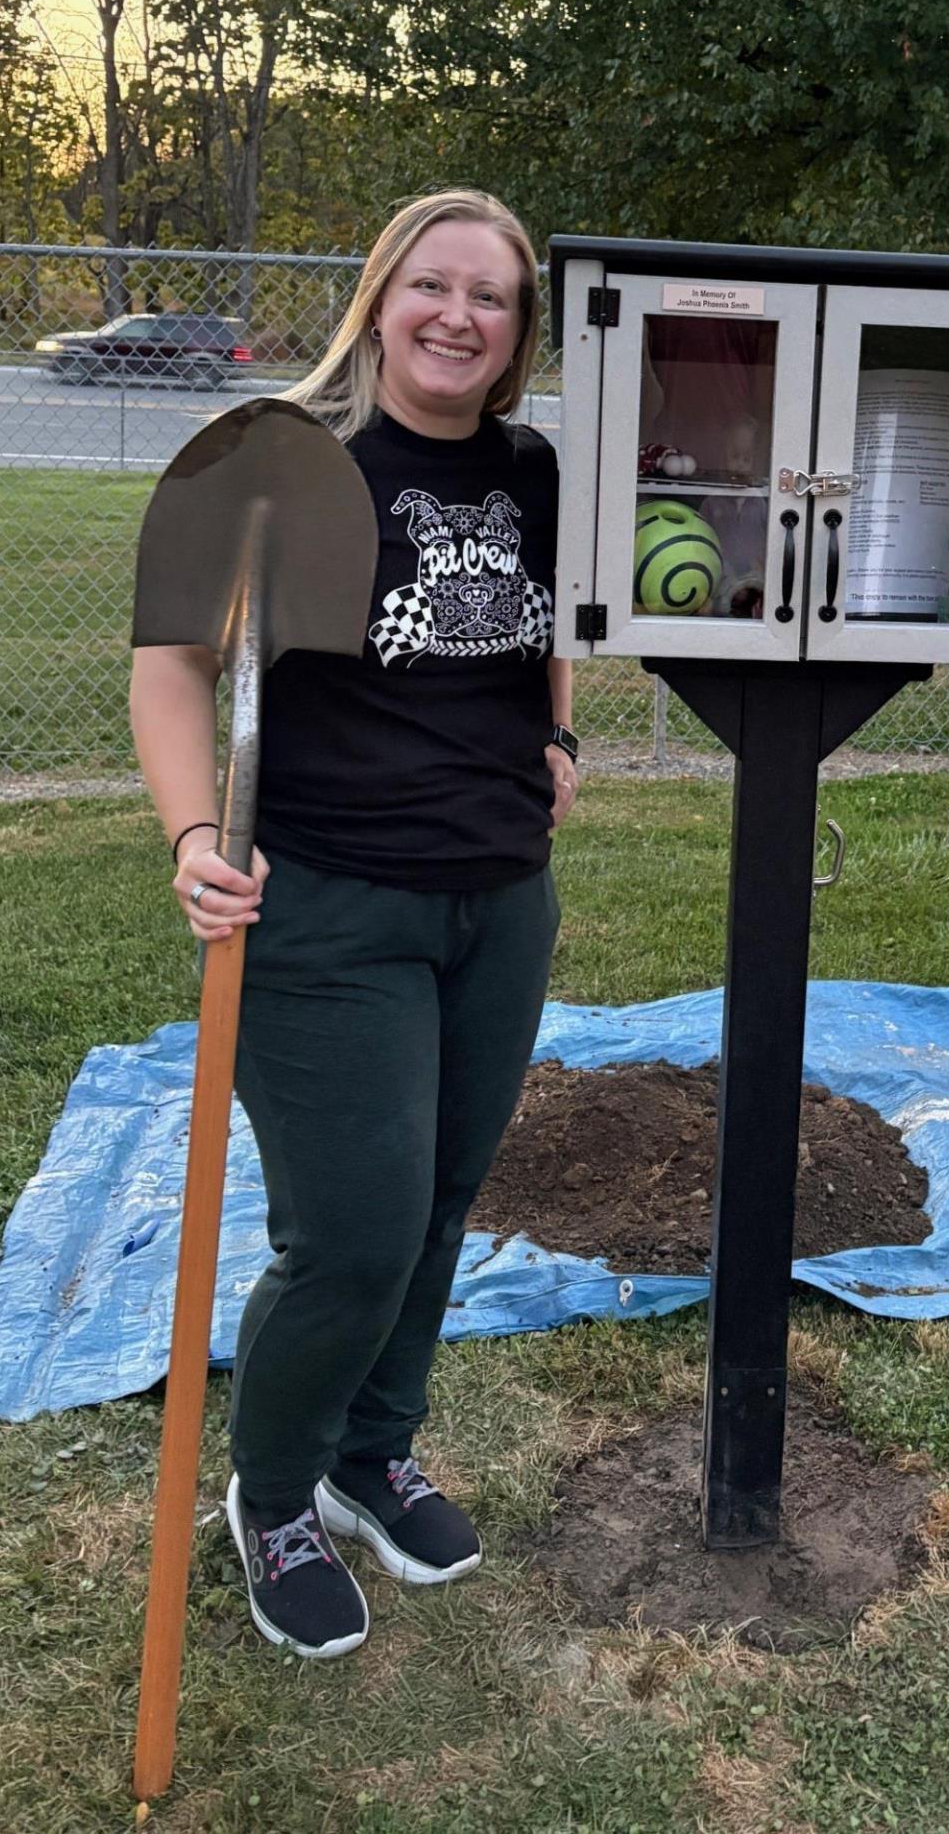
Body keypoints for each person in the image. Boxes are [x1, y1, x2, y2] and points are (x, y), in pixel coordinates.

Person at [130, 189, 578, 1661]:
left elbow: (545, 639)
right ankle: (272, 1497)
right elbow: (172, 666)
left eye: (493, 298)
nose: (459, 317)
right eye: (432, 287)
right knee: (356, 1230)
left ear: (519, 330)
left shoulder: (537, 472)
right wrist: (199, 839)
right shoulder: (271, 464)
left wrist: (558, 745)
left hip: (500, 906)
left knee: (444, 1200)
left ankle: (372, 1449)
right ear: (380, 298)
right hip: (325, 909)